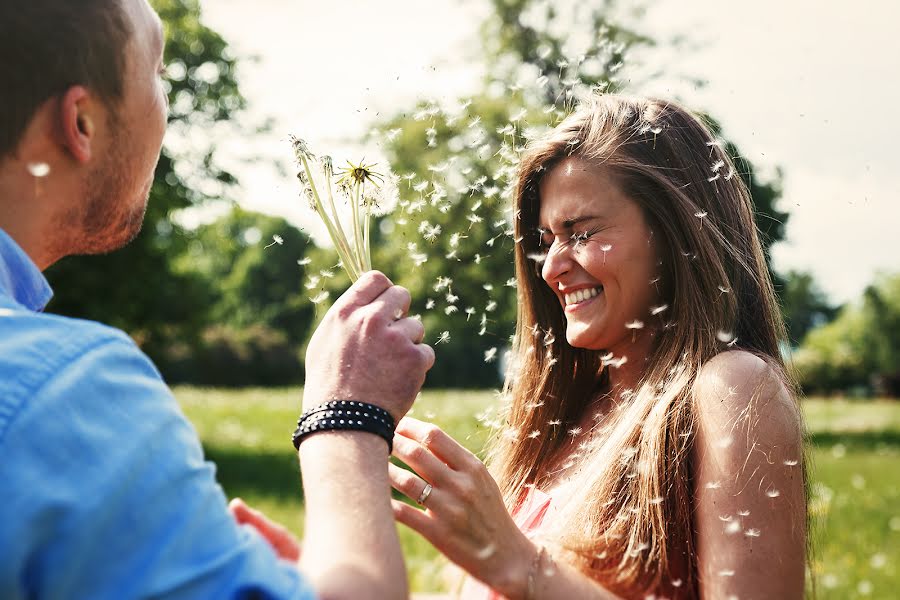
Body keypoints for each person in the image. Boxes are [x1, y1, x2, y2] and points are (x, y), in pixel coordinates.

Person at [0, 1, 434, 599]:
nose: (167, 111)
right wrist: (347, 416)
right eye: (158, 72)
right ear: (82, 122)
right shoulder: (61, 392)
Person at [384, 95, 807, 598]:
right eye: (546, 238)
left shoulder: (732, 388)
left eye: (581, 233)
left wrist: (521, 564)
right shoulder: (567, 417)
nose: (550, 267)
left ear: (676, 234)